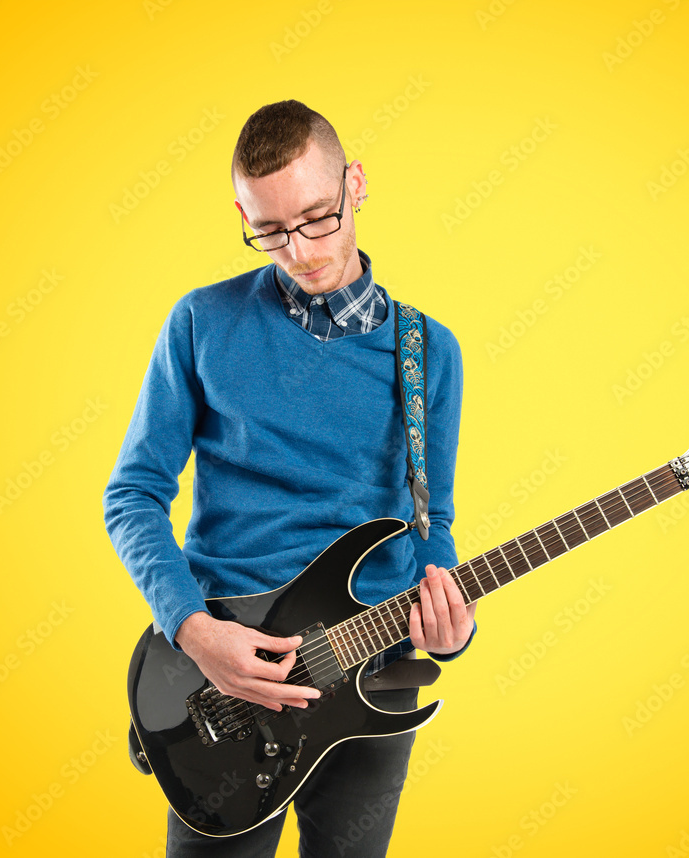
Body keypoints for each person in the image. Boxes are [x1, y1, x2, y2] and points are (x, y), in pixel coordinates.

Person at [103, 99, 475, 857]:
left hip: (372, 682)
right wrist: (195, 631)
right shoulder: (202, 322)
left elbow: (432, 523)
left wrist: (453, 625)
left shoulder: (428, 350)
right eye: (268, 230)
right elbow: (133, 493)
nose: (299, 250)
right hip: (223, 680)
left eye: (317, 218)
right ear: (242, 213)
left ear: (357, 185)